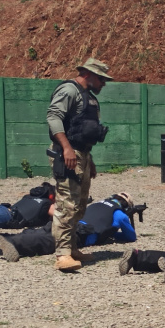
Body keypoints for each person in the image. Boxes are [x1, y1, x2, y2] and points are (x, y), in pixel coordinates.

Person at [47, 58, 112, 271]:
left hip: (81, 154)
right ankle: (63, 254)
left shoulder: (88, 98)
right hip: (67, 152)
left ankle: (73, 248)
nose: (103, 83)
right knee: (67, 204)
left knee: (80, 204)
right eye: (101, 78)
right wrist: (66, 148)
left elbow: (84, 129)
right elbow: (54, 117)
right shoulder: (69, 90)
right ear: (88, 74)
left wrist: (89, 160)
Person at [0, 193, 137, 263]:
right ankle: (12, 243)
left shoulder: (97, 204)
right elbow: (130, 237)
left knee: (34, 232)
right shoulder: (119, 214)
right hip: (79, 234)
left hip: (62, 223)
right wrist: (114, 236)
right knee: (42, 241)